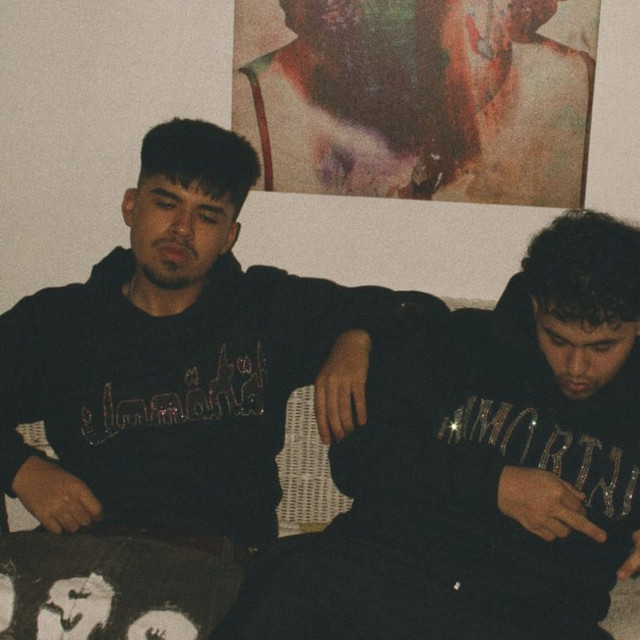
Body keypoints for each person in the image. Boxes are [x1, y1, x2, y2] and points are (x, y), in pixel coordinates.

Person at [0, 117, 412, 637]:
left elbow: (418, 317)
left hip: (213, 571)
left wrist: (357, 336)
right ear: (131, 206)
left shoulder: (263, 311)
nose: (181, 229)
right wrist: (21, 469)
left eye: (207, 215)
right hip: (78, 563)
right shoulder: (61, 321)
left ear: (228, 237)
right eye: (166, 203)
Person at [212, 210, 640, 640]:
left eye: (602, 347)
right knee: (295, 578)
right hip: (384, 577)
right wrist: (493, 484)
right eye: (558, 339)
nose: (577, 367)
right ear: (534, 306)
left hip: (531, 618)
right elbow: (358, 456)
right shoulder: (462, 343)